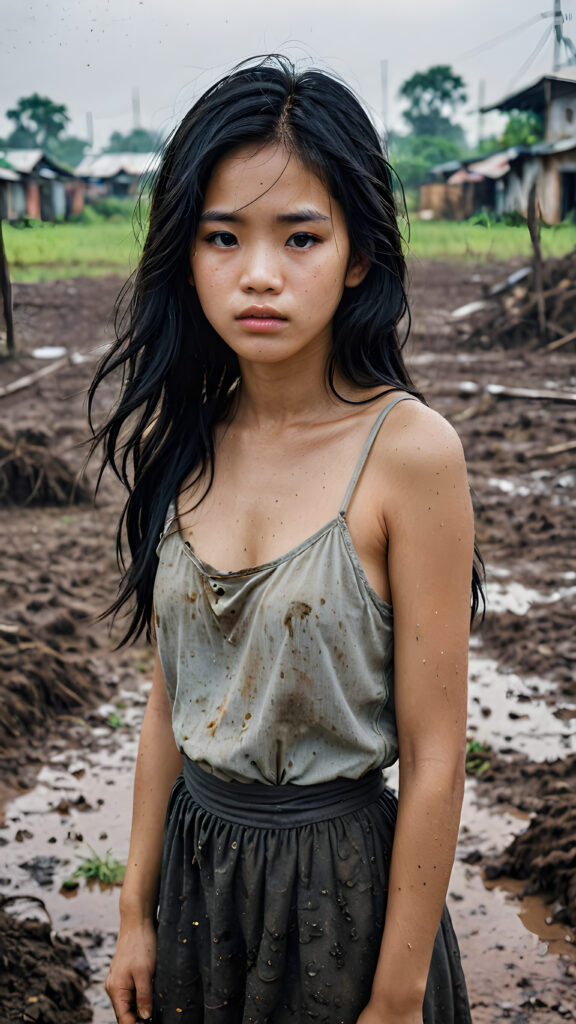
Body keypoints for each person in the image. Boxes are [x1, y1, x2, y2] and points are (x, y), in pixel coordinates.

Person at [89, 54, 483, 1024]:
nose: (258, 274)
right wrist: (134, 910)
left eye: (299, 236)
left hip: (340, 897)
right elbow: (169, 707)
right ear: (187, 252)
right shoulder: (182, 438)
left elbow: (436, 758)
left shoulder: (411, 453)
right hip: (196, 884)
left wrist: (394, 1000)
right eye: (223, 236)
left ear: (356, 255)